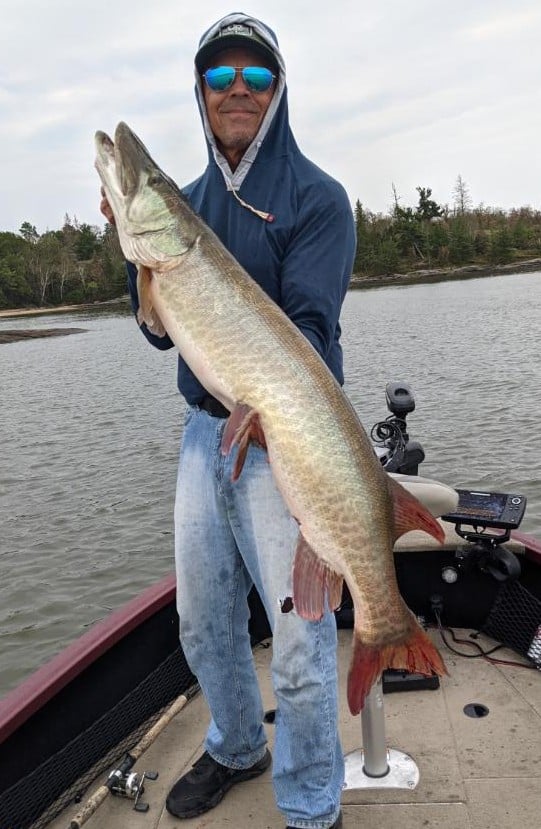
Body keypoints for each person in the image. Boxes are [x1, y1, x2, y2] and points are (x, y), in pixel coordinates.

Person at [101, 12, 355, 829]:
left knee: (301, 648)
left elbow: (311, 327)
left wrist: (267, 397)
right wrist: (138, 261)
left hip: (286, 432)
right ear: (202, 94)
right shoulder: (188, 202)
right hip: (201, 434)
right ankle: (238, 743)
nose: (236, 90)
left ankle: (313, 804)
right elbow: (155, 329)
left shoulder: (317, 198)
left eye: (253, 76)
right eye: (219, 78)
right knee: (203, 621)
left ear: (277, 91)